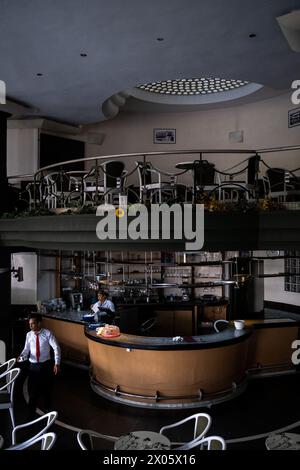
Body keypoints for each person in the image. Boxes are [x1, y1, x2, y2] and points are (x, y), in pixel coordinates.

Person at [18, 313, 61, 418]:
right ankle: (30, 413)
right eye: (29, 324)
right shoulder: (29, 335)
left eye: (33, 324)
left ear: (39, 323)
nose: (31, 326)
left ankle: (48, 409)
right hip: (33, 366)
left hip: (46, 365)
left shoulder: (48, 333)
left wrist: (57, 363)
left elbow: (56, 348)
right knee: (32, 390)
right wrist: (21, 356)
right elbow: (26, 349)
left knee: (47, 388)